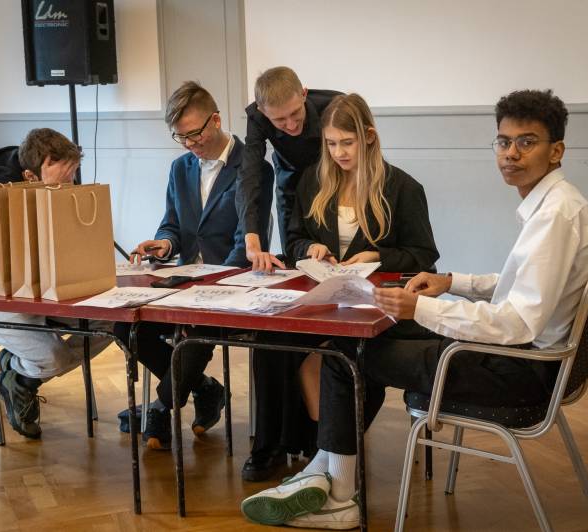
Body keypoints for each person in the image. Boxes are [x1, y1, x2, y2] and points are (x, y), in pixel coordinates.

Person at [240, 89, 588, 530]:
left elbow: (515, 323)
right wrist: (453, 283)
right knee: (363, 341)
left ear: (556, 150)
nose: (511, 153)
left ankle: (336, 496)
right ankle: (323, 474)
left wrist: (422, 308)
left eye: (526, 143)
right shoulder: (557, 205)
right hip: (518, 355)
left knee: (344, 357)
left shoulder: (554, 216)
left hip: (518, 368)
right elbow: (518, 287)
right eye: (504, 141)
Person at [242, 93, 439, 482]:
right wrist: (309, 248)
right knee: (270, 342)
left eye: (347, 143)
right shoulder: (315, 180)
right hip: (325, 296)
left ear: (368, 137)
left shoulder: (402, 187)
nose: (338, 153)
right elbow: (295, 239)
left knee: (346, 351)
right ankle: (272, 445)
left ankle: (324, 449)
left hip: (375, 303)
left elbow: (423, 256)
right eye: (331, 144)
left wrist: (376, 256)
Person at [114, 81, 274, 450]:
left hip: (231, 282)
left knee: (195, 330)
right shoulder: (180, 168)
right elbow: (172, 224)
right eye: (180, 136)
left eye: (194, 134)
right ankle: (204, 388)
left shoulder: (253, 170)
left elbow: (247, 242)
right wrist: (164, 244)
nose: (189, 144)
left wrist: (208, 286)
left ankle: (161, 407)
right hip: (183, 280)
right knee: (125, 326)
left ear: (215, 120)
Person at [0, 128, 113, 439]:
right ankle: (23, 374)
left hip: (46, 297)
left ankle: (20, 374)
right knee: (54, 358)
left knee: (111, 324)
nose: (69, 186)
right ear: (30, 176)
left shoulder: (54, 191)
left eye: (73, 177)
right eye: (62, 180)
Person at [237, 66, 342, 271]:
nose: (292, 125)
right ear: (262, 111)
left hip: (336, 178)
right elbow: (249, 174)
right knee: (295, 253)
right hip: (290, 181)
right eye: (279, 120)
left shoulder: (335, 104)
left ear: (304, 94)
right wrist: (251, 241)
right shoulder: (257, 117)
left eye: (295, 113)